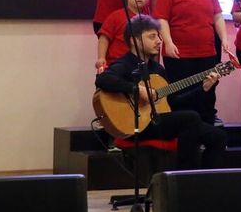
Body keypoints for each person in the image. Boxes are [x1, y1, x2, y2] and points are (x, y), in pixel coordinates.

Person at [95, 15, 227, 170]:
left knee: (218, 136)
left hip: (156, 120)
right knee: (190, 118)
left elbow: (173, 102)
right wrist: (137, 89)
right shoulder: (124, 64)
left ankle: (206, 182)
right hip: (136, 125)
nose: (159, 40)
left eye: (158, 36)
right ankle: (184, 176)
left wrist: (203, 89)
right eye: (152, 36)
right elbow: (103, 79)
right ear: (134, 40)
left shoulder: (158, 69)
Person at [155, 0, 232, 125]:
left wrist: (224, 39)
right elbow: (162, 19)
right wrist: (168, 42)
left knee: (208, 90)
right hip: (179, 53)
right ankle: (184, 133)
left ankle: (206, 128)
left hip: (207, 51)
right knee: (182, 93)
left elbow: (218, 16)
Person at [95, 0, 150, 73]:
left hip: (141, 66)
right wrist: (101, 58)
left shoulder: (148, 19)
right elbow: (104, 38)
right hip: (117, 64)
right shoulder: (116, 16)